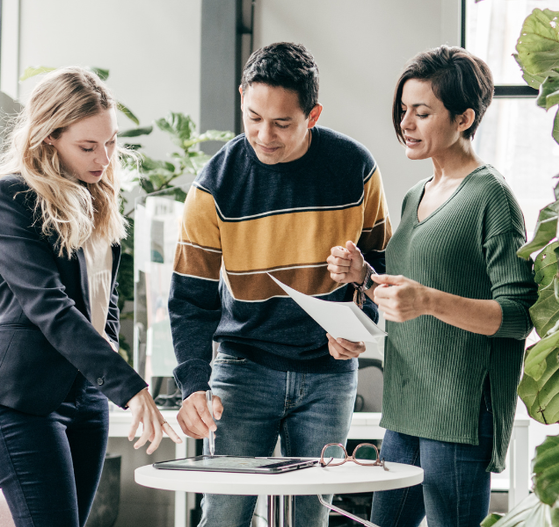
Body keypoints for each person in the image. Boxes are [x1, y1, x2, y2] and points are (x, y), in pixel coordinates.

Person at [169, 41, 392, 527]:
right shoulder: (215, 184)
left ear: (312, 115)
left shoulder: (354, 169)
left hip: (328, 378)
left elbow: (380, 266)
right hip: (242, 372)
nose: (263, 135)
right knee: (224, 516)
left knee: (307, 519)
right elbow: (191, 297)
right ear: (243, 94)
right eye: (253, 116)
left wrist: (361, 322)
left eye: (282, 123)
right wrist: (192, 383)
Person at [326, 46, 536, 527]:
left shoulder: (492, 198)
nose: (406, 123)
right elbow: (411, 296)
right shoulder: (414, 195)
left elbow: (518, 314)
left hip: (458, 412)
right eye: (404, 111)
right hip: (406, 407)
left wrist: (425, 300)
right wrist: (364, 277)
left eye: (422, 112)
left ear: (464, 118)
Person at [0, 67, 177, 527]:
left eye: (111, 143)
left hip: (85, 397)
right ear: (48, 139)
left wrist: (105, 381)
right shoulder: (12, 198)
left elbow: (105, 300)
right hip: (21, 400)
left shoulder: (97, 197)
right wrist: (130, 386)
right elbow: (51, 306)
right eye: (87, 146)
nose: (104, 157)